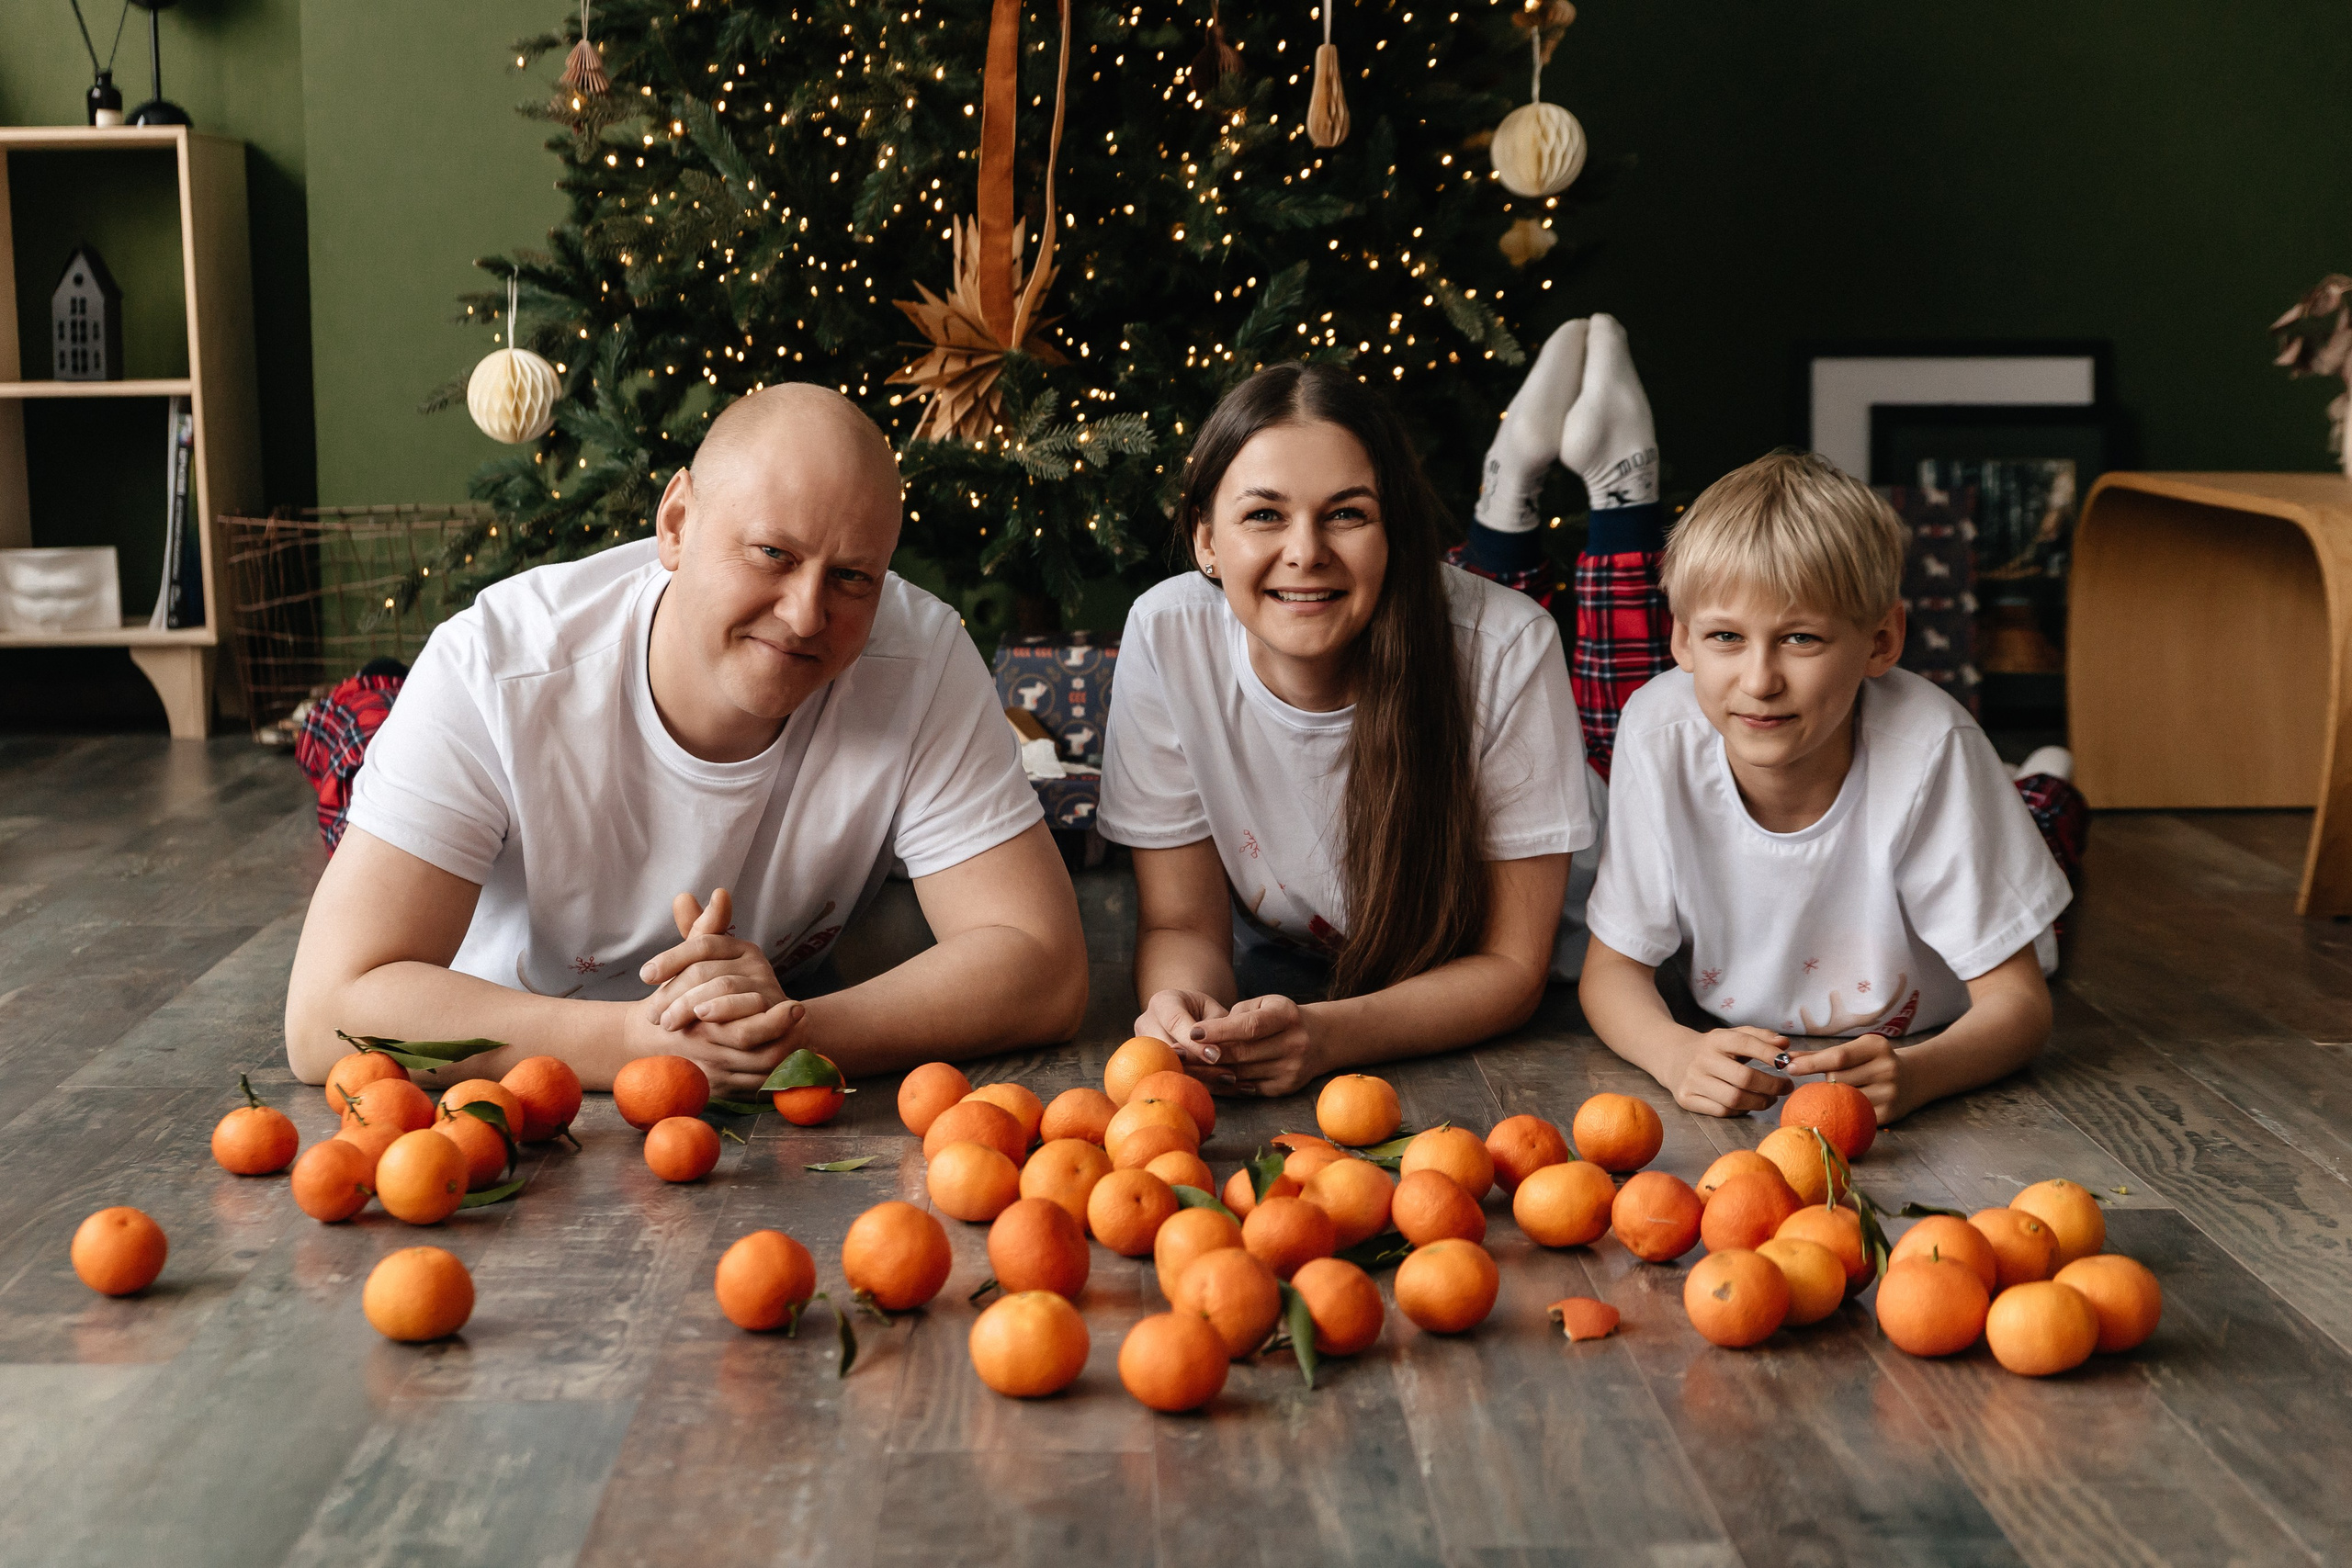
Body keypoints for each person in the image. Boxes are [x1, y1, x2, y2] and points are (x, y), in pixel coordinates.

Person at [282, 385, 1087, 1096]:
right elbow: (323, 1016)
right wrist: (638, 1042)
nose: (806, 614)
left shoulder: (921, 657)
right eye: (772, 554)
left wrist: (790, 1033)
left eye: (852, 577)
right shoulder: (493, 667)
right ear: (675, 524)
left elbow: (1047, 967)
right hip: (514, 1054)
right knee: (357, 736)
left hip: (763, 1019)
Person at [1098, 360, 1600, 1098]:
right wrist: (1188, 1015)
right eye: (1264, 515)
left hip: (1542, 998)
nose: (1306, 552)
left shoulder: (1508, 647)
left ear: (1394, 530)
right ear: (1206, 539)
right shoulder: (1166, 633)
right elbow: (1182, 926)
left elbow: (1510, 968)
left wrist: (1329, 1035)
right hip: (1308, 975)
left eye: (1346, 514)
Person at [1577, 450, 2075, 1125]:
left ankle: (2043, 779)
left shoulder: (1933, 747)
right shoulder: (1656, 731)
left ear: (1881, 641)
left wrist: (1920, 1073)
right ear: (1684, 639)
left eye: (1800, 639)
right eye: (1726, 636)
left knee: (2048, 818)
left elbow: (2019, 1003)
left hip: (1945, 973)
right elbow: (1611, 971)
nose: (1759, 681)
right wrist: (1673, 1053)